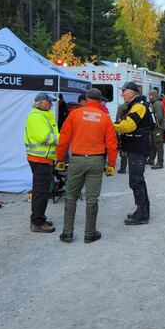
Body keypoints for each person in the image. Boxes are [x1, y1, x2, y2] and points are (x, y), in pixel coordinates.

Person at [55, 88, 118, 244]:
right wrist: (111, 164)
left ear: (87, 98)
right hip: (96, 161)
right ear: (99, 101)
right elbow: (111, 144)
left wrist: (60, 159)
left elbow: (63, 139)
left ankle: (67, 232)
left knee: (71, 195)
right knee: (92, 197)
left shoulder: (75, 114)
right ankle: (90, 233)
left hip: (77, 160)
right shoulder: (104, 117)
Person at [114, 81, 155, 225]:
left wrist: (110, 126)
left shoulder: (138, 106)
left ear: (132, 93)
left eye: (124, 91)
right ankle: (142, 211)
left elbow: (128, 126)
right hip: (137, 147)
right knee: (138, 181)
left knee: (136, 181)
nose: (122, 93)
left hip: (138, 148)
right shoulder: (136, 105)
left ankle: (142, 214)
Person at [23, 92, 59, 233]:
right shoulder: (37, 117)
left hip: (43, 159)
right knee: (41, 192)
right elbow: (44, 137)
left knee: (42, 191)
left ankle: (39, 218)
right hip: (40, 159)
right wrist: (63, 137)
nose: (51, 104)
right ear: (41, 102)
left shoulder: (42, 115)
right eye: (49, 101)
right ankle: (37, 222)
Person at [147, 91, 165, 169]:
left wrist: (154, 126)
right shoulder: (154, 103)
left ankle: (160, 163)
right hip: (154, 128)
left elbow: (159, 117)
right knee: (152, 145)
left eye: (150, 95)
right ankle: (151, 159)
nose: (149, 97)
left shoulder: (157, 104)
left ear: (154, 96)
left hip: (158, 128)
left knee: (158, 145)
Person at [116, 100, 130, 173]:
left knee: (124, 150)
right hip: (134, 130)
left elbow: (118, 119)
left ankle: (123, 168)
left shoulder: (121, 106)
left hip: (124, 131)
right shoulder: (137, 106)